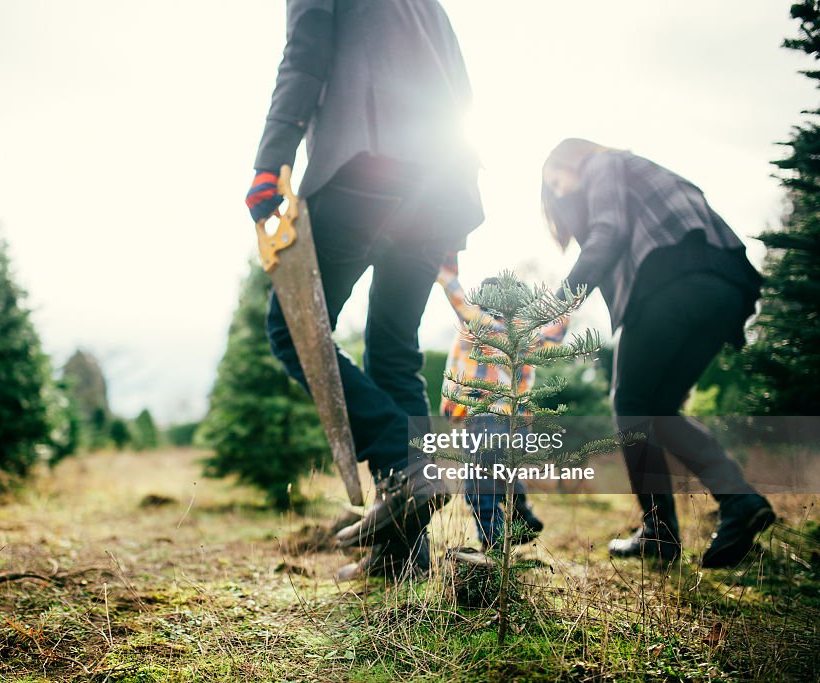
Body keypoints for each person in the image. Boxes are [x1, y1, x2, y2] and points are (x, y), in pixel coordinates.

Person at [245, 0, 484, 579]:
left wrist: (270, 159)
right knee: (394, 352)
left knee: (292, 331)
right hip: (442, 185)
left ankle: (409, 462)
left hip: (368, 165)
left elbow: (304, 57)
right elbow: (461, 88)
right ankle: (402, 556)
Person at [540, 138, 774, 568]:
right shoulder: (638, 172)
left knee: (630, 405)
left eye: (556, 181)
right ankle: (739, 502)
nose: (558, 194)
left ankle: (658, 532)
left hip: (673, 283)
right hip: (725, 287)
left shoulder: (603, 164)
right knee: (659, 409)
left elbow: (607, 233)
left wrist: (560, 306)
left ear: (571, 161)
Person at [436, 257, 566, 551]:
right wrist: (568, 301)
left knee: (480, 485)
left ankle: (493, 547)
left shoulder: (480, 324)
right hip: (519, 422)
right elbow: (556, 332)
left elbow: (457, 299)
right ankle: (521, 512)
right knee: (507, 472)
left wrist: (444, 272)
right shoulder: (527, 333)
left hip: (485, 418)